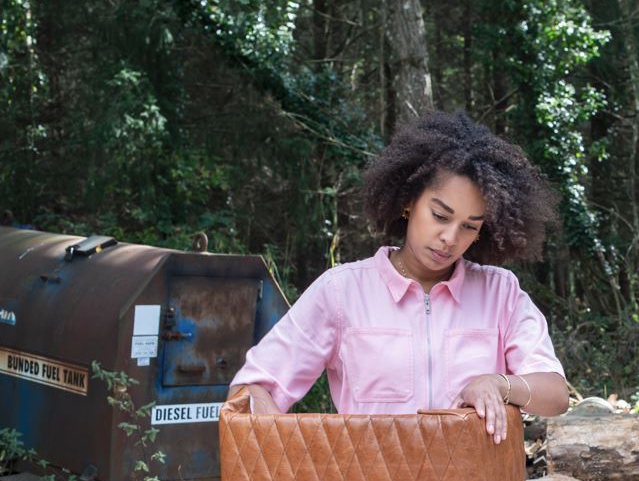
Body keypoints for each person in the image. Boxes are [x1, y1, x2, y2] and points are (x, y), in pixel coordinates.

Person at [228, 111, 569, 442]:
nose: (450, 238)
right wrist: (288, 456)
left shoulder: (500, 292)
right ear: (408, 202)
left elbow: (555, 393)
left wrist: (499, 383)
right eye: (439, 215)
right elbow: (252, 388)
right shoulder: (341, 292)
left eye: (469, 227)